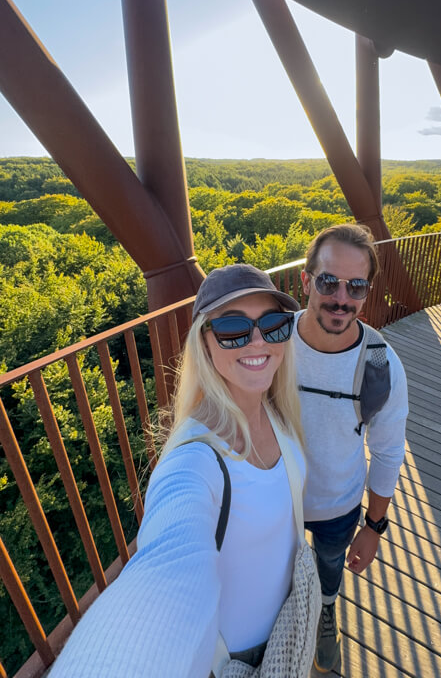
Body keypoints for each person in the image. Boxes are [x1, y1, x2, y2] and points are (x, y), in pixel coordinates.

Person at [50, 263, 310, 677]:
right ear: (204, 343)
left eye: (274, 323)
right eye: (232, 328)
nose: (259, 340)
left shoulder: (276, 409)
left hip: (293, 617)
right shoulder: (193, 461)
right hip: (240, 660)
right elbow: (166, 570)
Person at [293, 223, 409, 673]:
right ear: (306, 281)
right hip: (271, 499)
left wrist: (373, 526)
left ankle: (325, 614)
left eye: (355, 286)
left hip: (337, 505)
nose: (341, 298)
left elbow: (387, 451)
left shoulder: (381, 363)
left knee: (328, 571)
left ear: (367, 292)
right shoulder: (269, 342)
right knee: (271, 579)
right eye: (328, 281)